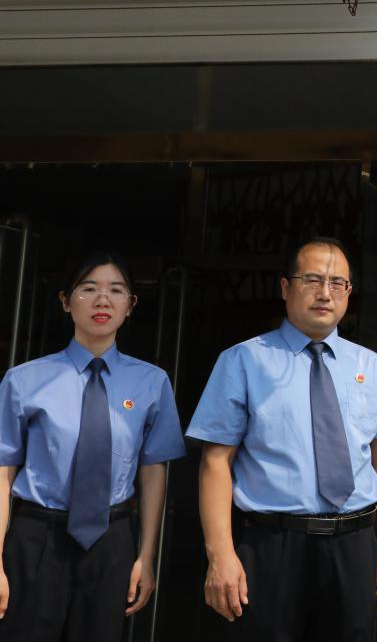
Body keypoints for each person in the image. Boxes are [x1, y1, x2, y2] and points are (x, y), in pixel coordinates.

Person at [186, 236, 377, 642]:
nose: (325, 293)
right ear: (286, 287)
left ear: (349, 293)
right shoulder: (243, 361)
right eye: (312, 280)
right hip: (272, 546)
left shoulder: (373, 368)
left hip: (355, 545)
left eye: (337, 283)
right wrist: (220, 555)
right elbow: (215, 462)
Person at [0, 251, 185, 642]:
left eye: (116, 290)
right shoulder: (24, 380)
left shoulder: (152, 382)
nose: (103, 300)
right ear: (66, 301)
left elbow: (154, 471)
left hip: (112, 538)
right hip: (37, 536)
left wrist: (146, 555)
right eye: (89, 289)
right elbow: (3, 471)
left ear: (130, 305)